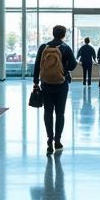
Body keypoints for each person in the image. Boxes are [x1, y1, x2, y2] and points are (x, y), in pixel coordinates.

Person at [32, 24, 77, 154]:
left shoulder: (43, 47)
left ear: (53, 33)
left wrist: (36, 81)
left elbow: (37, 65)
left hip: (46, 84)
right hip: (61, 84)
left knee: (47, 112)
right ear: (63, 35)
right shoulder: (65, 48)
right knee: (60, 113)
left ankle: (49, 140)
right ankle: (57, 141)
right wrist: (64, 68)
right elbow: (73, 65)